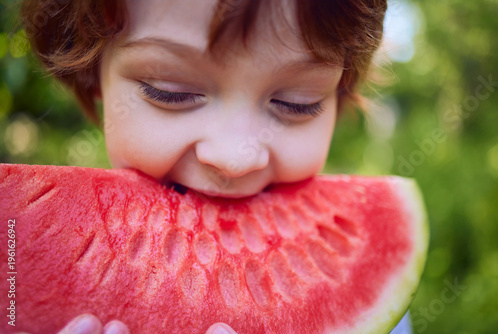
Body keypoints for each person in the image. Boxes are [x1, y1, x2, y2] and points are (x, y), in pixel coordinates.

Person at [20, 0, 411, 333]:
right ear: (94, 79)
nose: (234, 158)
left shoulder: (366, 298)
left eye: (297, 102)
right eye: (171, 91)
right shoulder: (15, 275)